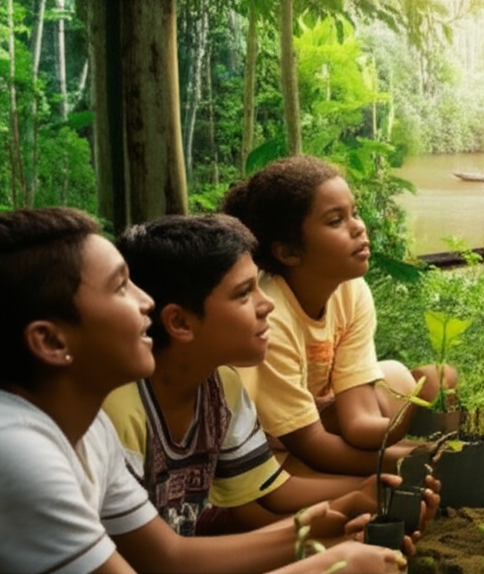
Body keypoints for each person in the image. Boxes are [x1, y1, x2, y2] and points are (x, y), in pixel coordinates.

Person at [0, 207, 405, 574]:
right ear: (51, 342)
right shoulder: (20, 451)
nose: (146, 302)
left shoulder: (89, 432)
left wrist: (333, 524)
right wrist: (330, 565)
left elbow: (169, 557)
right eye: (120, 287)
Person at [104, 214, 438, 537]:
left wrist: (366, 493)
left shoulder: (221, 386)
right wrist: (327, 539)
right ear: (179, 323)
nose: (267, 305)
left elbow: (273, 491)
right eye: (244, 293)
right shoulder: (120, 410)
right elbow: (162, 560)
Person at [221, 156, 455, 477]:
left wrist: (413, 406)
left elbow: (359, 422)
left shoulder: (351, 291)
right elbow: (312, 445)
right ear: (289, 252)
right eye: (335, 221)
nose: (359, 226)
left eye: (353, 213)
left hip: (318, 413)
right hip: (270, 439)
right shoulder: (268, 317)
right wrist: (420, 458)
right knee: (298, 472)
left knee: (396, 376)